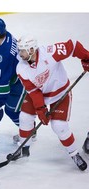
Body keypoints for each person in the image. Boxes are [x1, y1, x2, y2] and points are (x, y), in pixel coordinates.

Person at [15, 34, 89, 171]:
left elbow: (72, 45)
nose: (20, 54)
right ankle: (23, 149)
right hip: (39, 94)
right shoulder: (21, 68)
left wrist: (86, 57)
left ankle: (74, 154)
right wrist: (40, 108)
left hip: (60, 93)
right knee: (24, 117)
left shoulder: (49, 53)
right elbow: (33, 90)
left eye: (22, 50)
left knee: (59, 126)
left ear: (31, 50)